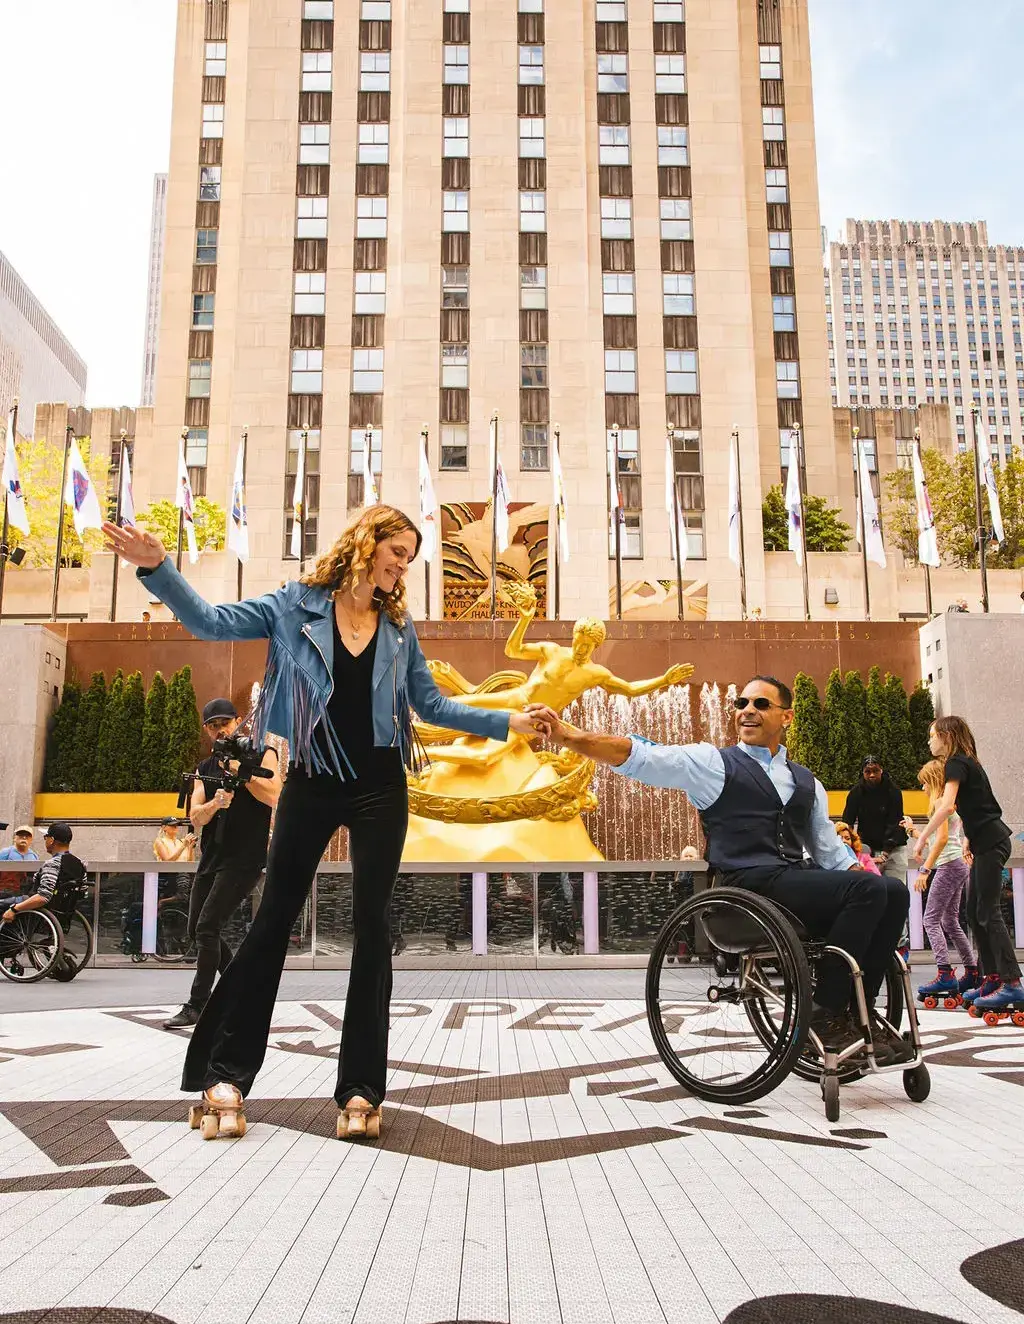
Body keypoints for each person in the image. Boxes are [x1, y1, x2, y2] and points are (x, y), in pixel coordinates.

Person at [103, 505, 547, 1139]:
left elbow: (431, 704)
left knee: (373, 927)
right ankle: (225, 1073)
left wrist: (511, 722)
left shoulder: (398, 628)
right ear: (366, 543)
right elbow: (211, 622)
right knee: (271, 921)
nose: (403, 566)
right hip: (311, 782)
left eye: (410, 557)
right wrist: (158, 569)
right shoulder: (294, 605)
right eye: (398, 551)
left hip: (379, 787)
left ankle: (362, 1089)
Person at [526, 676, 913, 1063]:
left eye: (761, 704)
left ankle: (860, 1011)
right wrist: (566, 735)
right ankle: (826, 1012)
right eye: (740, 701)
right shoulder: (712, 763)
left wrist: (861, 873)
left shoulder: (807, 781)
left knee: (892, 892)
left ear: (787, 716)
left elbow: (829, 852)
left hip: (794, 884)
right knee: (868, 891)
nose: (747, 710)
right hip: (744, 889)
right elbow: (639, 756)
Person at [163, 699, 282, 1030]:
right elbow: (195, 816)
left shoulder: (262, 752)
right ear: (207, 730)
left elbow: (274, 795)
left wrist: (240, 773)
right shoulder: (205, 767)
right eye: (213, 725)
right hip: (212, 857)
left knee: (207, 926)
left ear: (239, 721)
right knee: (196, 929)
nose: (220, 729)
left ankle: (198, 1004)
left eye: (225, 723)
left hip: (244, 858)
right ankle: (241, 990)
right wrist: (216, 802)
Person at [912, 716, 1022, 1013]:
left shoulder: (956, 763)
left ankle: (1012, 983)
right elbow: (977, 805)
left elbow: (947, 806)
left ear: (947, 736)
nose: (929, 741)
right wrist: (968, 840)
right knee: (974, 912)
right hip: (984, 843)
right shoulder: (966, 762)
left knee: (988, 912)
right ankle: (991, 978)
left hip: (992, 843)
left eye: (932, 735)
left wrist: (921, 837)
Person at [904, 758, 978, 1002]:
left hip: (948, 866)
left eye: (924, 783)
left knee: (931, 920)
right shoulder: (947, 806)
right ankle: (971, 970)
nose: (922, 789)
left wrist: (925, 870)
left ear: (933, 781)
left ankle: (945, 973)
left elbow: (942, 839)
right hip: (956, 864)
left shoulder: (939, 803)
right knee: (950, 921)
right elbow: (938, 837)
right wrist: (913, 830)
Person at [0, 823, 86, 927]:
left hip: (37, 905)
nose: (45, 841)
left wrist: (14, 909)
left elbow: (43, 896)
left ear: (51, 840)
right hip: (62, 910)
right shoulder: (80, 864)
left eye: (46, 837)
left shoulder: (53, 863)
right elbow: (83, 893)